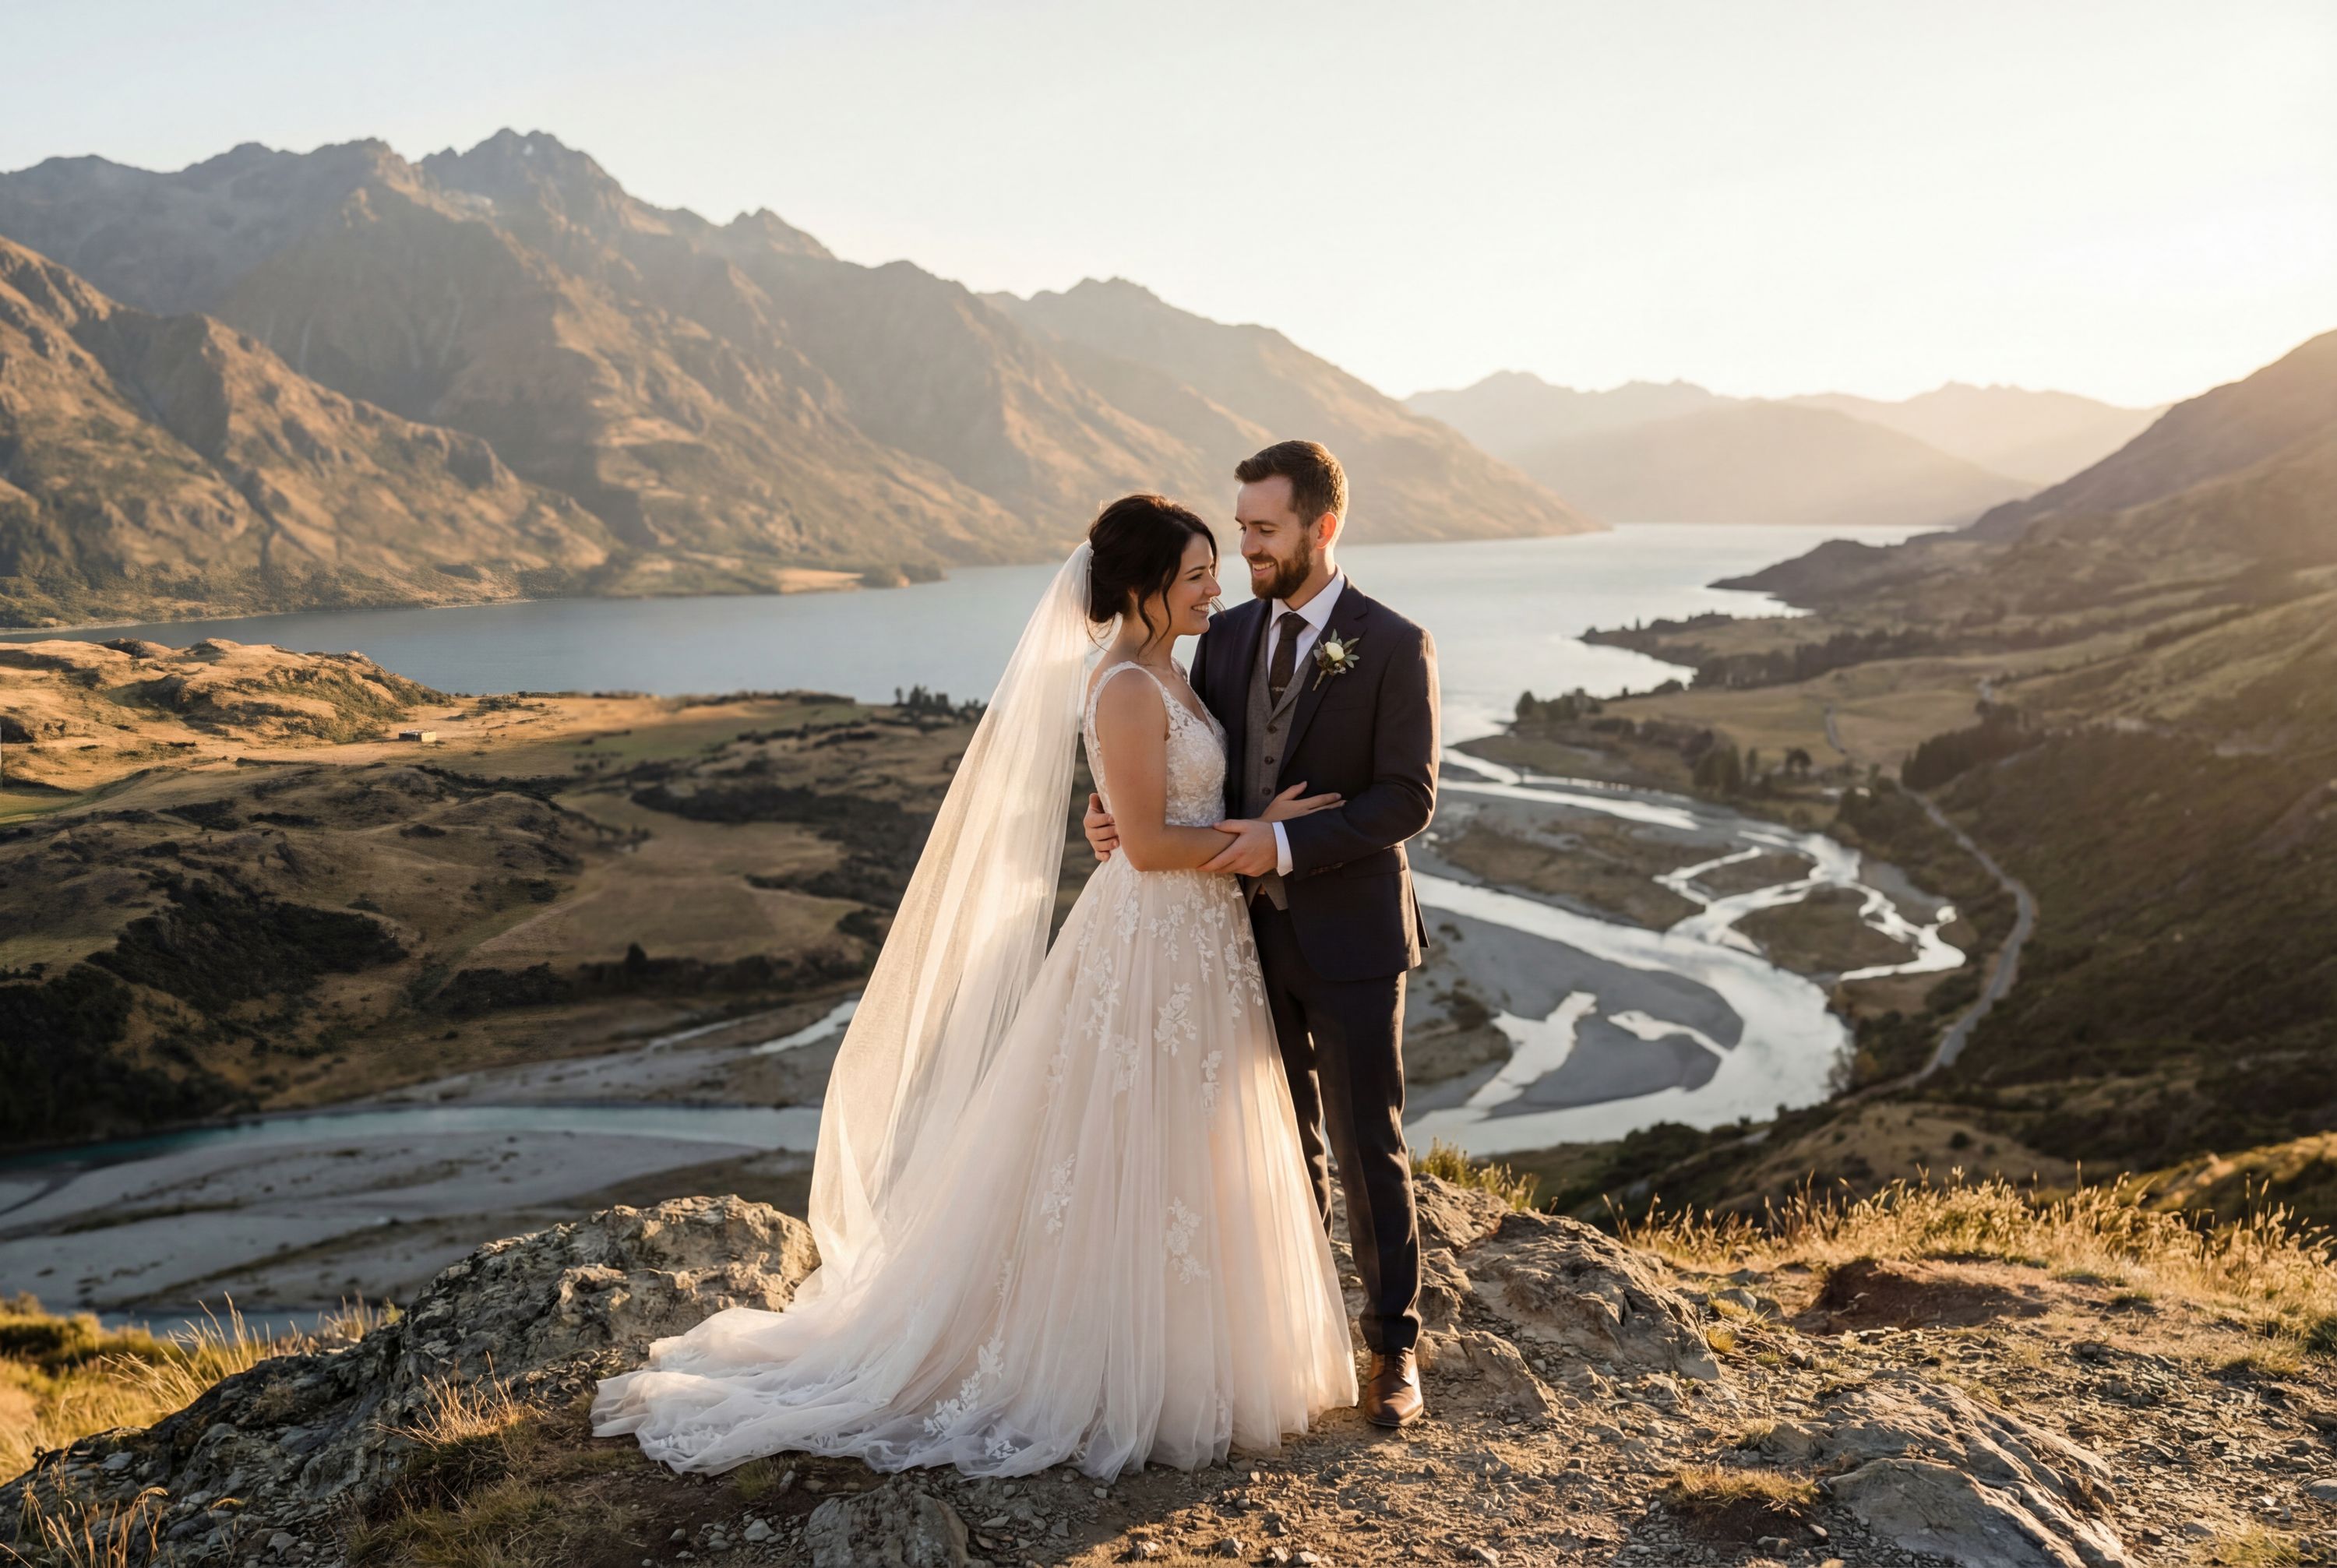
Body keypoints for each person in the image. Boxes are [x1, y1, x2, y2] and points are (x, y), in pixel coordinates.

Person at [591, 494, 1358, 1481]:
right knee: (1120, 1139)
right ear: (1142, 590)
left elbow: (1160, 807)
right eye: (1198, 574)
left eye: (1217, 567)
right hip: (1152, 938)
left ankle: (1186, 1351)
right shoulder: (1124, 684)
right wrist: (1261, 841)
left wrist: (1243, 814)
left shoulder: (1174, 666)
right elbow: (1156, 843)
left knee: (1186, 1139)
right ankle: (1103, 1362)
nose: (1220, 587)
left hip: (1199, 940)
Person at [1084, 440, 1439, 1428]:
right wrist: (1110, 816)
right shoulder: (1225, 636)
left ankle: (1393, 1352)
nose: (1246, 549)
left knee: (1370, 1144)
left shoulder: (1393, 642)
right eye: (1238, 530)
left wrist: (1281, 847)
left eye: (1264, 530)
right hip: (1231, 941)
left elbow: (1406, 799)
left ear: (1324, 528)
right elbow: (1173, 756)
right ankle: (1296, 1332)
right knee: (1272, 1146)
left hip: (1351, 935)